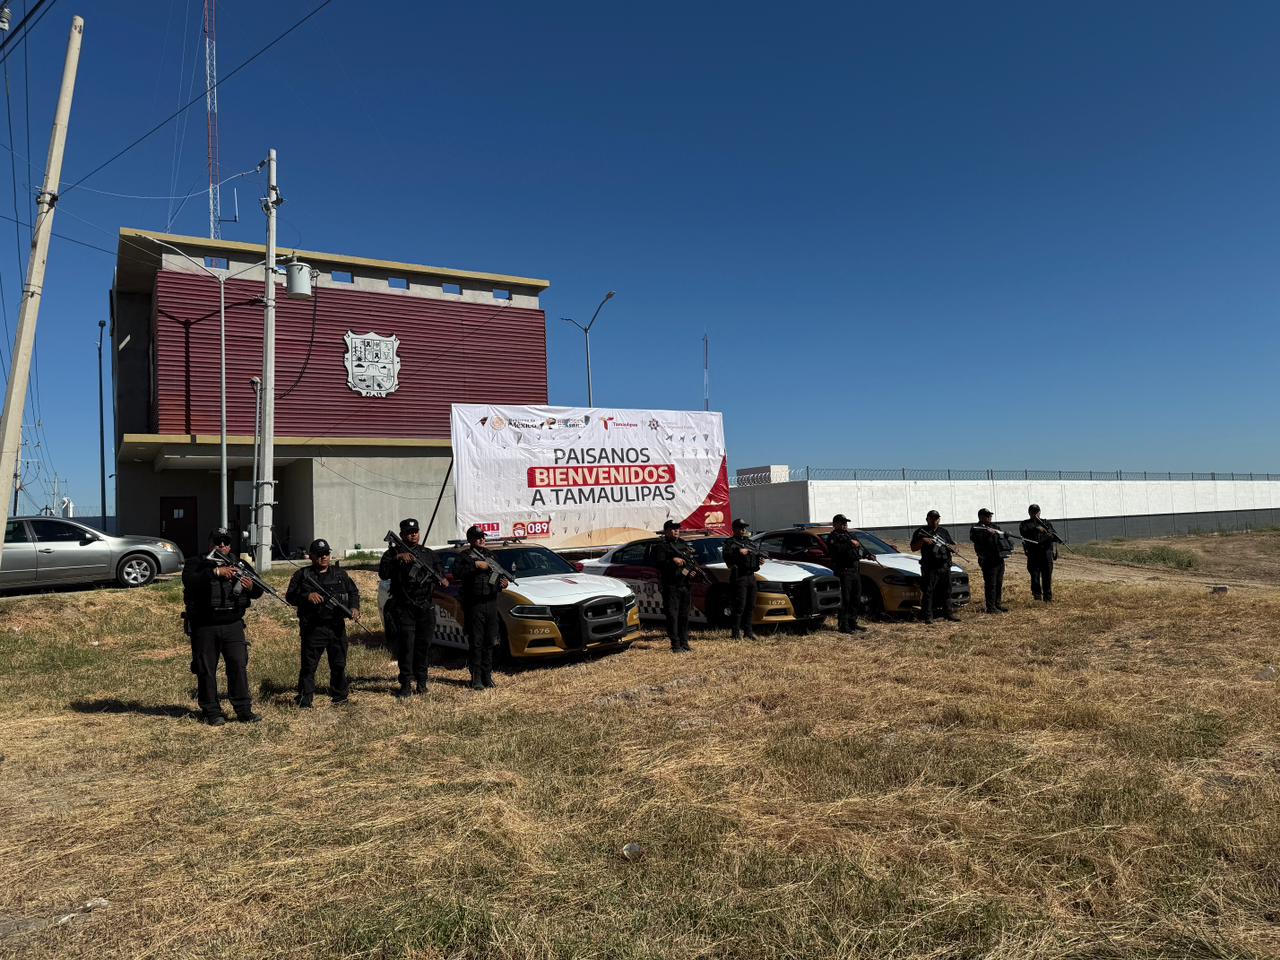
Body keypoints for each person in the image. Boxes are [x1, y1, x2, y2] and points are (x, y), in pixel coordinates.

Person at [181, 528, 264, 725]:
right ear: (210, 543)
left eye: (226, 542)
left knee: (238, 665)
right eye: (218, 542)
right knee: (206, 669)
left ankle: (243, 710)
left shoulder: (240, 564)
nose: (222, 546)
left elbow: (259, 590)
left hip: (233, 624)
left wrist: (250, 586)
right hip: (205, 625)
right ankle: (211, 711)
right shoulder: (197, 562)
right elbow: (189, 581)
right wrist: (216, 572)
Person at [285, 538, 360, 708]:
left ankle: (340, 697)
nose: (323, 557)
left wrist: (354, 608)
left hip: (335, 627)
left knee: (339, 664)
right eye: (319, 554)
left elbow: (353, 592)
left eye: (326, 553)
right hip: (313, 627)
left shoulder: (340, 574)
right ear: (311, 556)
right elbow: (290, 596)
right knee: (309, 666)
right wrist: (306, 597)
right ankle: (305, 699)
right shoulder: (302, 575)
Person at [378, 517, 440, 699]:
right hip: (404, 607)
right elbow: (383, 573)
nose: (413, 535)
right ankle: (405, 684)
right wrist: (398, 558)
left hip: (425, 607)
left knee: (423, 646)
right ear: (402, 535)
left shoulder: (428, 553)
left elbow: (439, 575)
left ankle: (421, 682)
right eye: (409, 533)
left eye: (416, 532)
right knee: (407, 647)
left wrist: (439, 578)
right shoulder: (392, 554)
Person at [453, 525, 510, 690]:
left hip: (491, 604)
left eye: (483, 537)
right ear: (470, 539)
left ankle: (487, 676)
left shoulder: (491, 556)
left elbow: (497, 579)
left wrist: (502, 583)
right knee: (476, 642)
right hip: (474, 605)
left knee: (490, 641)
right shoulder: (465, 556)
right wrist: (475, 566)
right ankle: (476, 677)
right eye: (478, 537)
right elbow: (457, 573)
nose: (482, 540)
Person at [910, 510, 960, 623]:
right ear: (927, 519)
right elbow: (913, 548)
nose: (934, 521)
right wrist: (923, 541)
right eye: (932, 518)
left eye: (936, 518)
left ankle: (948, 614)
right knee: (928, 591)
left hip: (944, 565)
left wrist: (954, 548)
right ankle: (927, 616)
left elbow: (953, 545)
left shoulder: (943, 531)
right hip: (930, 567)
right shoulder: (920, 532)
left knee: (946, 590)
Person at [652, 519, 694, 652]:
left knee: (684, 615)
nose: (676, 531)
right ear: (666, 531)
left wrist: (689, 572)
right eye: (673, 529)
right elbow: (658, 564)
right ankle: (675, 645)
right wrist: (672, 560)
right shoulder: (661, 546)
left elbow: (689, 563)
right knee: (672, 616)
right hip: (671, 586)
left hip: (684, 585)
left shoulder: (682, 544)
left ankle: (684, 642)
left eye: (677, 528)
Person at [827, 514, 868, 633]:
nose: (845, 524)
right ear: (835, 524)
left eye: (846, 522)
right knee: (846, 598)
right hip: (843, 571)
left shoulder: (850, 535)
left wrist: (866, 554)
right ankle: (843, 625)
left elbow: (859, 549)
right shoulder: (832, 537)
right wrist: (850, 544)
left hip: (855, 570)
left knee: (856, 597)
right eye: (842, 522)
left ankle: (852, 622)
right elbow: (837, 550)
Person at [722, 518, 762, 640]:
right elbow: (727, 557)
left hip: (751, 576)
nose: (744, 529)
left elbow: (754, 560)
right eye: (740, 527)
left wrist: (759, 561)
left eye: (744, 527)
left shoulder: (749, 542)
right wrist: (739, 552)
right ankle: (735, 634)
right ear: (734, 529)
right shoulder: (730, 542)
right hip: (739, 577)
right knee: (739, 606)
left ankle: (748, 632)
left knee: (751, 605)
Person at [969, 508, 1012, 614]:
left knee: (998, 582)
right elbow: (976, 539)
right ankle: (990, 607)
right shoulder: (976, 528)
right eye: (987, 516)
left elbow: (1001, 539)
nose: (989, 517)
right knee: (990, 584)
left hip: (999, 558)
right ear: (981, 517)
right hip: (988, 559)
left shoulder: (995, 527)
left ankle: (997, 604)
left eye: (990, 515)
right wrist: (988, 534)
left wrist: (1005, 535)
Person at [1019, 504, 1062, 602]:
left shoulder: (1046, 523)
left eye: (1037, 512)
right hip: (1033, 553)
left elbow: (1054, 535)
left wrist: (1046, 532)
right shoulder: (1025, 524)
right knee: (1035, 576)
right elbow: (1023, 532)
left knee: (1047, 576)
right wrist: (1036, 528)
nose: (1035, 514)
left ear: (1040, 512)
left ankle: (1048, 597)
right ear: (1029, 513)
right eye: (1033, 512)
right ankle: (1037, 596)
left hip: (1046, 553)